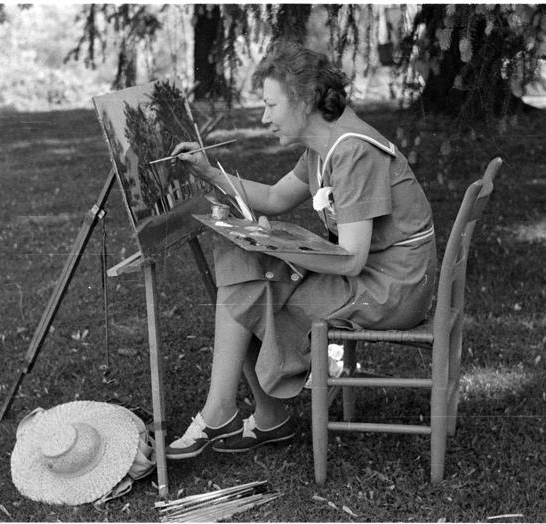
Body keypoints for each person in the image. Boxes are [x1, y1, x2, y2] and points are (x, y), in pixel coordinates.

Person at [164, 40, 437, 459]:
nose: (264, 117)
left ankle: (235, 413)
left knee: (257, 286)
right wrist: (209, 172)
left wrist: (276, 247)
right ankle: (253, 414)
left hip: (393, 288)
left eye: (270, 105)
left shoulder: (352, 150)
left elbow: (352, 259)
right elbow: (275, 197)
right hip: (375, 274)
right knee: (244, 265)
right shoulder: (323, 146)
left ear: (304, 100)